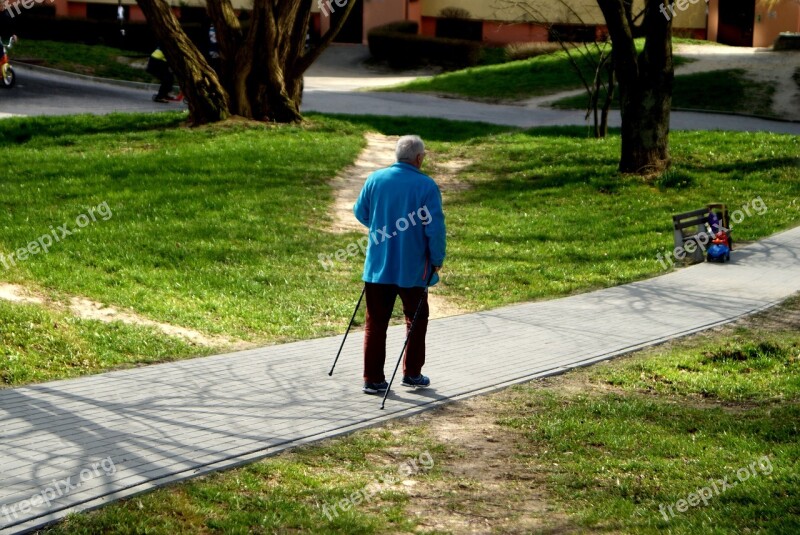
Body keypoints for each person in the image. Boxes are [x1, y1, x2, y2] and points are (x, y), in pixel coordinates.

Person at [353, 135, 446, 395]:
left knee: (375, 322)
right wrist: (437, 260)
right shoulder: (426, 186)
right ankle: (412, 374)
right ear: (419, 158)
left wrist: (381, 228)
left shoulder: (375, 179)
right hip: (413, 268)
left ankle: (372, 379)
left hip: (378, 267)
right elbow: (435, 229)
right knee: (416, 319)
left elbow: (360, 212)